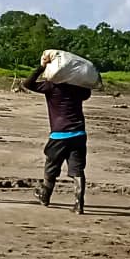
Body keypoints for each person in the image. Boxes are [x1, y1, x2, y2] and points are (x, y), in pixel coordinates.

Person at [21, 53, 92, 214]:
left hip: (59, 134)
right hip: (79, 133)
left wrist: (42, 67)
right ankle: (78, 204)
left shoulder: (51, 86)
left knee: (51, 166)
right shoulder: (78, 89)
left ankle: (45, 196)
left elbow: (27, 83)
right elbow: (88, 92)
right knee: (77, 170)